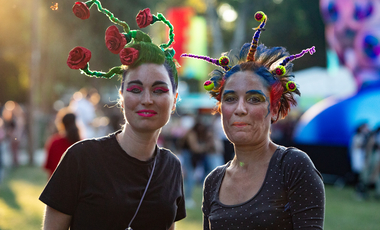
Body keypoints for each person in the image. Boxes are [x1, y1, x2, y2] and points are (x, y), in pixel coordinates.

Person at [39, 2, 186, 229]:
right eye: (135, 89)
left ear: (175, 99)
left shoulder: (171, 167)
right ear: (121, 96)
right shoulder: (81, 159)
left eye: (159, 90)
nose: (147, 99)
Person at [182, 11, 325, 229]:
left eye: (254, 99)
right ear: (221, 109)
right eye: (230, 98)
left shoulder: (293, 167)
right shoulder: (213, 182)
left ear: (275, 110)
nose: (240, 109)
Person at [43, 108, 80, 178]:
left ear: (61, 124)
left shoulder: (54, 142)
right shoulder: (82, 143)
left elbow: (48, 167)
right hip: (77, 186)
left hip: (57, 185)